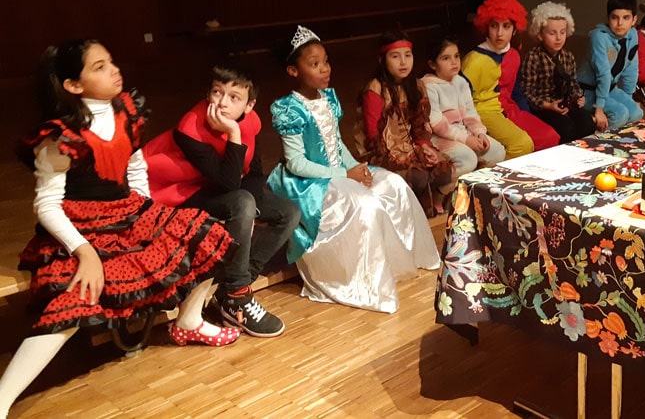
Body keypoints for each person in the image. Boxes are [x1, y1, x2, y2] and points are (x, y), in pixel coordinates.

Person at [1, 40, 239, 417]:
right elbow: (46, 204)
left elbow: (136, 169)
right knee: (74, 300)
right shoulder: (61, 136)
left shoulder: (127, 111)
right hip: (80, 226)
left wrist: (147, 216)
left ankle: (189, 320)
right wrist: (84, 251)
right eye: (99, 67)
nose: (114, 70)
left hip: (126, 211)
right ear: (73, 85)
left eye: (110, 61)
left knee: (206, 234)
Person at [267, 26, 440, 314]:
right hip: (309, 182)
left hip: (339, 171)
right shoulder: (289, 109)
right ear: (293, 71)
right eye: (314, 64)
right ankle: (364, 281)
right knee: (364, 202)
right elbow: (296, 162)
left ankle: (400, 261)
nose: (325, 69)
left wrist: (356, 167)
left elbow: (337, 145)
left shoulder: (328, 98)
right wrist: (345, 175)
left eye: (326, 61)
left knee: (393, 184)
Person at [144, 66, 300, 337]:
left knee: (288, 212)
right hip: (177, 193)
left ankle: (231, 290)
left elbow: (254, 173)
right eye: (217, 92)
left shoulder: (250, 121)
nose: (222, 103)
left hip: (214, 188)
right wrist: (233, 133)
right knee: (242, 203)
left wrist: (253, 211)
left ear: (249, 105)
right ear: (208, 94)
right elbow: (227, 185)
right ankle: (238, 296)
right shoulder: (190, 128)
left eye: (234, 97)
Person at [361, 30, 455, 215]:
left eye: (408, 55)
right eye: (395, 56)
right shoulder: (376, 89)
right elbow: (372, 135)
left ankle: (431, 201)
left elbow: (420, 125)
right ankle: (414, 207)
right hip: (384, 150)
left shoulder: (417, 86)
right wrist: (398, 159)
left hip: (410, 146)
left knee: (442, 170)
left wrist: (424, 147)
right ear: (382, 60)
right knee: (419, 176)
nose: (403, 62)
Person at [462, 0, 559, 158]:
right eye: (494, 26)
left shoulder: (513, 54)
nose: (500, 33)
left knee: (550, 136)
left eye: (506, 26)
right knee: (523, 144)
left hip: (509, 109)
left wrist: (526, 117)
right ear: (487, 28)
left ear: (514, 30)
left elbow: (517, 91)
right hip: (483, 112)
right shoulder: (474, 60)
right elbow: (462, 101)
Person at [421, 36, 506, 177]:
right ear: (433, 64)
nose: (454, 62)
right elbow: (436, 123)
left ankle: (478, 184)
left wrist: (479, 133)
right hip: (441, 137)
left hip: (464, 132)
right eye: (446, 58)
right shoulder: (429, 86)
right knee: (467, 159)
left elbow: (470, 113)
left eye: (456, 56)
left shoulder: (461, 82)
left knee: (497, 152)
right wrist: (466, 139)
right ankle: (449, 185)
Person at [521, 1, 596, 143]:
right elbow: (527, 92)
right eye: (552, 33)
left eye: (562, 32)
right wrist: (548, 105)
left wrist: (578, 97)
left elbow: (573, 82)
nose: (558, 38)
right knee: (566, 128)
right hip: (544, 107)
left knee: (587, 123)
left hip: (565, 103)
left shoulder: (568, 56)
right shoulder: (533, 57)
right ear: (540, 35)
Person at [577, 0, 645, 130]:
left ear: (634, 20)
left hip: (610, 89)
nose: (620, 23)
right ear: (608, 18)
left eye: (626, 18)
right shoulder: (599, 37)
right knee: (620, 114)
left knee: (636, 113)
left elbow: (631, 69)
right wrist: (599, 109)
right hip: (588, 91)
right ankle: (600, 138)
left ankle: (621, 138)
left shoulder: (633, 35)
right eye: (615, 18)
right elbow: (603, 74)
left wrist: (628, 97)